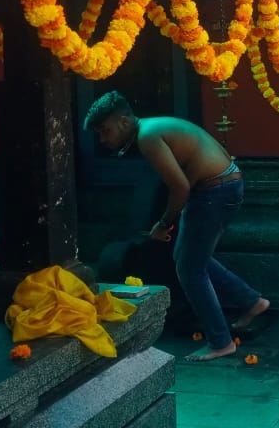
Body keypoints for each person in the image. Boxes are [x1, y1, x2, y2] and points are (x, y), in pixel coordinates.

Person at [84, 91, 269, 361]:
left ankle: (221, 341)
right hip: (221, 185)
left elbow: (180, 187)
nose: (103, 140)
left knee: (189, 268)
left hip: (215, 191)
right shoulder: (151, 127)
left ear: (124, 122)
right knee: (189, 258)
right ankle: (252, 301)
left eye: (105, 131)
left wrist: (163, 223)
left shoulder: (148, 137)